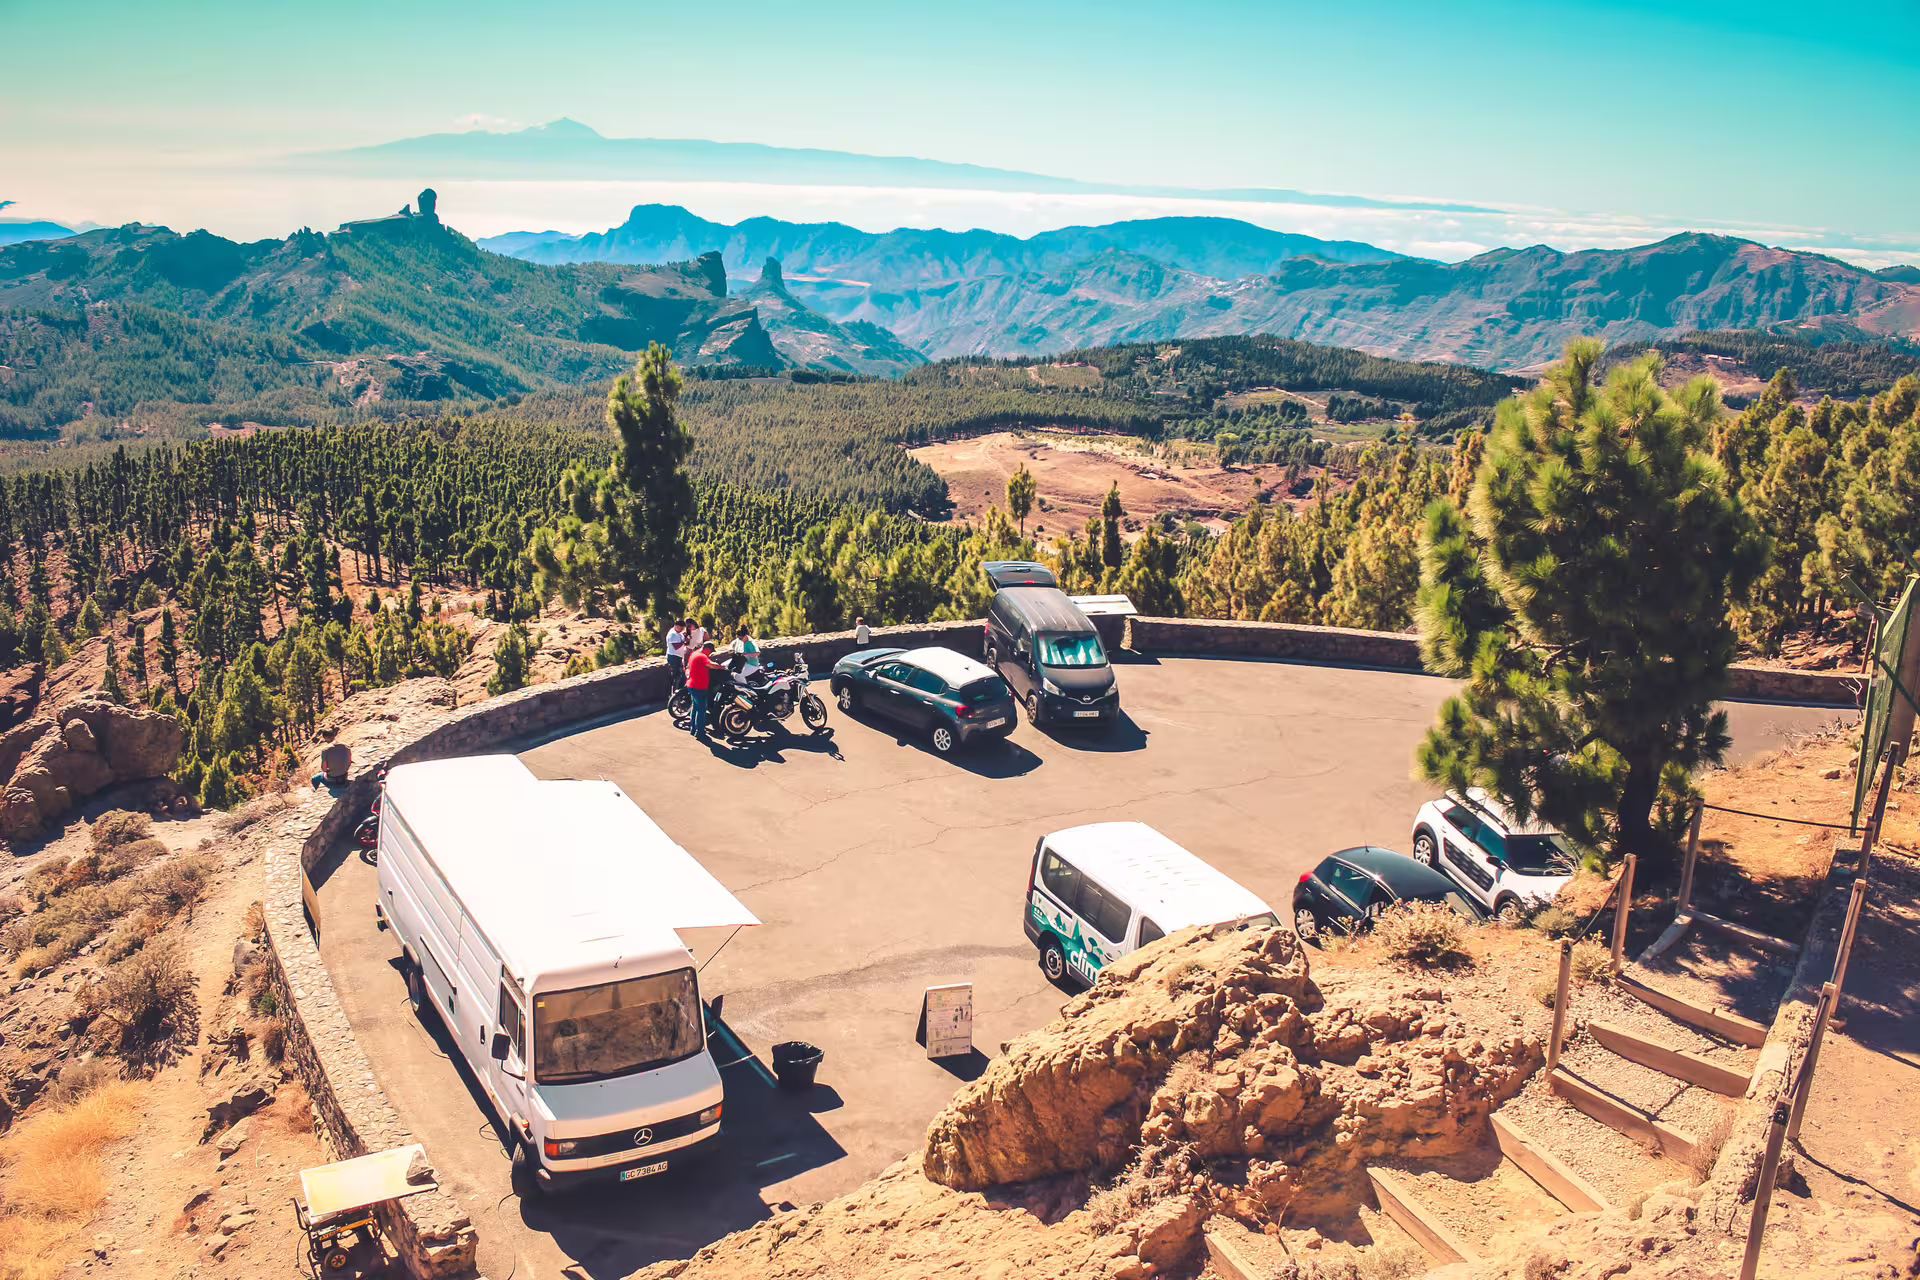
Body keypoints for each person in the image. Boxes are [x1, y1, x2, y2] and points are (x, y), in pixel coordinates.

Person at [686, 640, 716, 740]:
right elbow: (711, 665)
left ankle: (693, 729)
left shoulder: (695, 653)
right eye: (711, 652)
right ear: (708, 649)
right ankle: (700, 732)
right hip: (699, 687)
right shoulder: (702, 657)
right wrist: (723, 667)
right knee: (702, 710)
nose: (710, 654)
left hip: (692, 685)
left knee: (695, 708)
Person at [665, 619, 688, 686]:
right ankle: (674, 689)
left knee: (680, 674)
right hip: (674, 657)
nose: (682, 630)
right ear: (677, 626)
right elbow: (676, 646)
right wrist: (685, 641)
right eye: (681, 628)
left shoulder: (678, 633)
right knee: (675, 675)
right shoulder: (672, 634)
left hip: (678, 656)